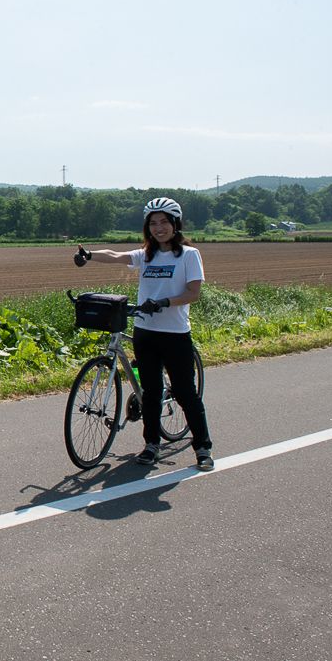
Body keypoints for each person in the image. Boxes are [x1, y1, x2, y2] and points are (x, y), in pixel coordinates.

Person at [74, 197, 214, 470]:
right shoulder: (146, 255)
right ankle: (151, 445)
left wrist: (163, 302)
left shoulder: (188, 255)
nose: (158, 228)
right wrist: (89, 255)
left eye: (164, 222)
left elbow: (193, 293)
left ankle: (203, 448)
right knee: (150, 392)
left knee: (186, 392)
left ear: (176, 224)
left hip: (174, 334)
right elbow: (116, 256)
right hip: (145, 332)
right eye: (153, 223)